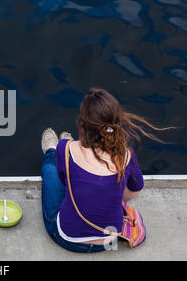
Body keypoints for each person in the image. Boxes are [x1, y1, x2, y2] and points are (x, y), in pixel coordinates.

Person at [40, 88, 172, 253]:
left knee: (50, 170)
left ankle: (50, 152)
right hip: (108, 242)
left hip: (68, 238)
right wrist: (109, 192)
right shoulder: (126, 155)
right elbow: (133, 192)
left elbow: (62, 180)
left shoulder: (66, 148)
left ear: (82, 124)